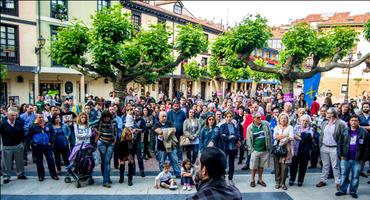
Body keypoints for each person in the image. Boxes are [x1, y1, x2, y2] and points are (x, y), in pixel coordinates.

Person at [336, 115, 369, 198]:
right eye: (352, 120)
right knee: (344, 175)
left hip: (358, 159)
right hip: (345, 158)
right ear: (349, 122)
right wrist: (340, 155)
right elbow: (339, 144)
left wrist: (363, 159)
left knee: (355, 176)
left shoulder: (364, 132)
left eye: (356, 120)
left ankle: (353, 191)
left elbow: (367, 147)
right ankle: (342, 190)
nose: (354, 122)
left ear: (358, 122)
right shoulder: (345, 131)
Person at [316, 107, 346, 190]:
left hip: (335, 148)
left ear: (333, 114)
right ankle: (323, 180)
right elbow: (321, 134)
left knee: (335, 166)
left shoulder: (341, 123)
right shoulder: (324, 123)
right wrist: (320, 145)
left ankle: (338, 182)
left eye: (328, 112)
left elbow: (344, 137)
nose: (326, 113)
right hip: (324, 147)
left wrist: (342, 149)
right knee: (325, 165)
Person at [0, 107, 28, 184]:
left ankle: (20, 174)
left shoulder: (19, 123)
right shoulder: (3, 124)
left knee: (20, 161)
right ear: (8, 116)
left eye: (15, 115)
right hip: (7, 146)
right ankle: (6, 176)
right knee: (6, 162)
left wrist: (22, 143)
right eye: (12, 115)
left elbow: (22, 134)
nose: (14, 117)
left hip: (18, 145)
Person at [29, 114, 59, 181]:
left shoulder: (48, 124)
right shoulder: (32, 125)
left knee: (50, 160)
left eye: (42, 117)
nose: (41, 118)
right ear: (36, 118)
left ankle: (54, 175)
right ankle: (41, 176)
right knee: (39, 162)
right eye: (39, 117)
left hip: (47, 146)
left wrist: (51, 142)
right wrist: (33, 143)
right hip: (37, 146)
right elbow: (29, 136)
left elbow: (53, 133)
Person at [246, 112, 272, 188]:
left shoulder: (265, 124)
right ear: (253, 119)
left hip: (265, 149)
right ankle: (252, 180)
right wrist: (252, 150)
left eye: (260, 117)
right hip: (255, 150)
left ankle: (260, 179)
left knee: (261, 166)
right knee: (253, 166)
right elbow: (248, 140)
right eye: (258, 118)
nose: (260, 119)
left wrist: (269, 146)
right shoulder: (250, 127)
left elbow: (269, 134)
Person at [93, 110, 118, 188]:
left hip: (110, 143)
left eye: (108, 117)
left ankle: (106, 180)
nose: (106, 119)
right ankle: (106, 179)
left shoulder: (113, 122)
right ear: (102, 117)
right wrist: (96, 131)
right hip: (102, 143)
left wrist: (114, 142)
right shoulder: (99, 122)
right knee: (104, 161)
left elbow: (116, 132)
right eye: (105, 118)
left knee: (107, 161)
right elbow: (89, 124)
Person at [216, 111, 241, 186]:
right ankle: (222, 178)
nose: (229, 118)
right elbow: (222, 137)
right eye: (227, 117)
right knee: (223, 163)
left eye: (230, 117)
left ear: (232, 117)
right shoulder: (222, 126)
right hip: (224, 147)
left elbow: (237, 135)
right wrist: (231, 136)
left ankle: (230, 178)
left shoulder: (234, 126)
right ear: (225, 117)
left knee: (231, 163)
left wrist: (230, 136)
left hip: (233, 148)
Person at [153, 111, 181, 177]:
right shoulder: (156, 124)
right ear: (159, 117)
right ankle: (163, 175)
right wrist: (168, 131)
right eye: (163, 116)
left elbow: (174, 130)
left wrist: (164, 132)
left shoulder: (170, 123)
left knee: (175, 160)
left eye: (165, 116)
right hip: (161, 146)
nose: (164, 118)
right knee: (161, 162)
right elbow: (159, 132)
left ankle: (178, 173)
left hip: (171, 145)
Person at [290, 114, 314, 187]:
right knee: (293, 166)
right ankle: (292, 179)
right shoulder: (296, 127)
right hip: (296, 149)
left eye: (306, 121)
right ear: (300, 121)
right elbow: (293, 135)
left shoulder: (311, 129)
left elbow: (310, 136)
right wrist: (303, 137)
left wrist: (300, 135)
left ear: (308, 122)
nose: (304, 122)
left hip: (305, 150)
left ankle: (300, 180)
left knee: (303, 166)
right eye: (303, 121)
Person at [273, 112, 294, 190]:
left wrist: (280, 136)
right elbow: (275, 137)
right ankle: (277, 182)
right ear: (279, 119)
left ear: (287, 119)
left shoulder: (290, 127)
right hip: (277, 148)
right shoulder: (276, 127)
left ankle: (283, 183)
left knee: (284, 167)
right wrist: (286, 136)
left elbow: (292, 137)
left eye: (285, 118)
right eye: (282, 118)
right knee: (277, 166)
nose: (283, 119)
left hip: (286, 149)